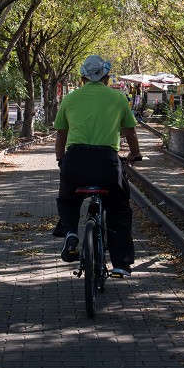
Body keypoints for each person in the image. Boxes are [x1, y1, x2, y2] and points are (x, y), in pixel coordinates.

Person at [53, 54, 143, 276]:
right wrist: (135, 153)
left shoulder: (70, 99)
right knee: (119, 208)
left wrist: (60, 160)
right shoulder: (118, 98)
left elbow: (61, 135)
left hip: (75, 160)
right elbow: (129, 131)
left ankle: (71, 232)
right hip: (107, 163)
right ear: (106, 77)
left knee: (67, 199)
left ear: (82, 78)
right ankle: (121, 263)